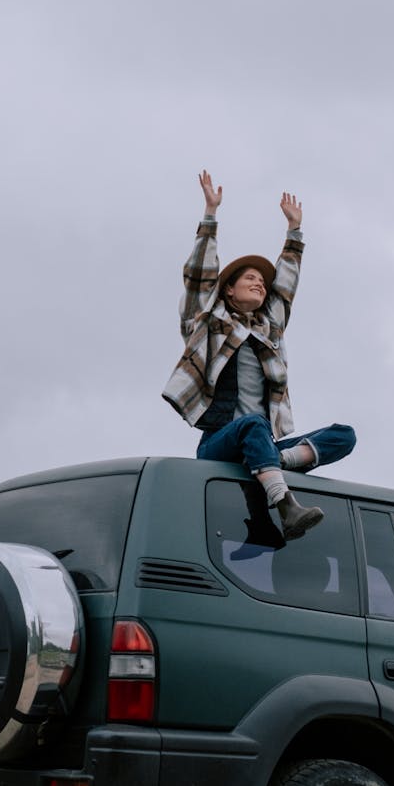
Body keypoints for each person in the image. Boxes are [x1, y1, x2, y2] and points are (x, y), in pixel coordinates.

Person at [163, 170, 356, 541]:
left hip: (261, 446)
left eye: (262, 282)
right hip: (219, 444)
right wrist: (210, 215)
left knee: (343, 435)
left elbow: (285, 290)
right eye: (249, 278)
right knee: (253, 424)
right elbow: (199, 280)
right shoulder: (206, 323)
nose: (259, 283)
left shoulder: (270, 330)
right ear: (230, 291)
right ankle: (286, 506)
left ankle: (272, 462)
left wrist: (294, 234)